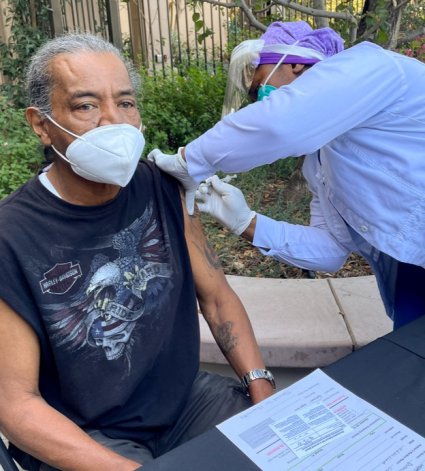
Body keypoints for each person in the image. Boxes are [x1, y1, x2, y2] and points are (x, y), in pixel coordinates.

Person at [0, 33, 275, 471]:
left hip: (186, 401)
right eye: (86, 105)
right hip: (89, 433)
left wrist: (261, 389)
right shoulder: (11, 237)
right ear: (41, 123)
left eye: (125, 103)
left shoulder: (161, 186)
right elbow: (17, 407)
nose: (115, 121)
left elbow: (217, 296)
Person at [148, 21, 425, 330]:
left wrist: (188, 161)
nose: (261, 101)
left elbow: (280, 125)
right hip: (410, 269)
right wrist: (246, 222)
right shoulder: (322, 161)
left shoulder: (372, 67)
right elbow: (331, 250)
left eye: (260, 87)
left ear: (295, 64)